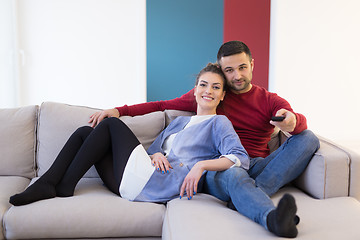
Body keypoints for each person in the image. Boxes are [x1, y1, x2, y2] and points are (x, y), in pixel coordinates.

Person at [89, 41, 320, 238]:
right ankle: (271, 218)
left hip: (258, 164)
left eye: (242, 67)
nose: (237, 75)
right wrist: (119, 111)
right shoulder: (212, 94)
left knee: (308, 138)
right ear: (221, 71)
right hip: (218, 167)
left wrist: (291, 122)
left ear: (252, 65)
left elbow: (293, 119)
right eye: (229, 70)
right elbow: (160, 105)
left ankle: (244, 196)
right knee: (235, 174)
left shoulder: (269, 99)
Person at [9, 63, 249, 206]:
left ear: (222, 96)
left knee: (112, 125)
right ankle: (54, 185)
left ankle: (58, 184)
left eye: (216, 87)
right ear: (195, 90)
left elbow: (240, 157)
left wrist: (201, 167)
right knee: (85, 132)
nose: (208, 91)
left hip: (156, 184)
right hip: (133, 179)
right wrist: (155, 155)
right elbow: (153, 149)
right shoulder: (179, 122)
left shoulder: (219, 122)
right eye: (204, 85)